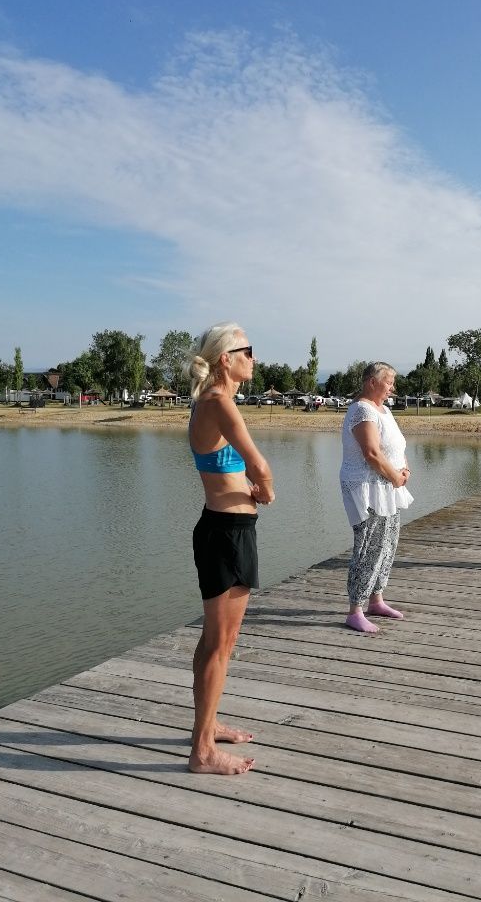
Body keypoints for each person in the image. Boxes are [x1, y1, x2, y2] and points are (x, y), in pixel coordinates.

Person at [184, 323, 275, 774]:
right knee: (221, 643)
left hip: (223, 528)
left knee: (216, 641)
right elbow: (259, 462)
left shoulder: (211, 402)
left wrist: (250, 488)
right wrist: (266, 490)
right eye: (248, 350)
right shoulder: (219, 401)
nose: (253, 359)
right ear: (227, 358)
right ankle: (202, 752)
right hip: (227, 533)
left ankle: (208, 723)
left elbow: (233, 470)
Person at [340, 362, 413, 633]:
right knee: (369, 545)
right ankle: (355, 608)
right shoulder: (361, 410)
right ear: (372, 382)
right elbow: (371, 452)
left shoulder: (383, 409)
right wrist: (395, 476)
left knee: (388, 543)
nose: (392, 387)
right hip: (367, 488)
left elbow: (395, 444)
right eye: (388, 382)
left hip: (387, 486)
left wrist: (403, 467)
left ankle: (376, 599)